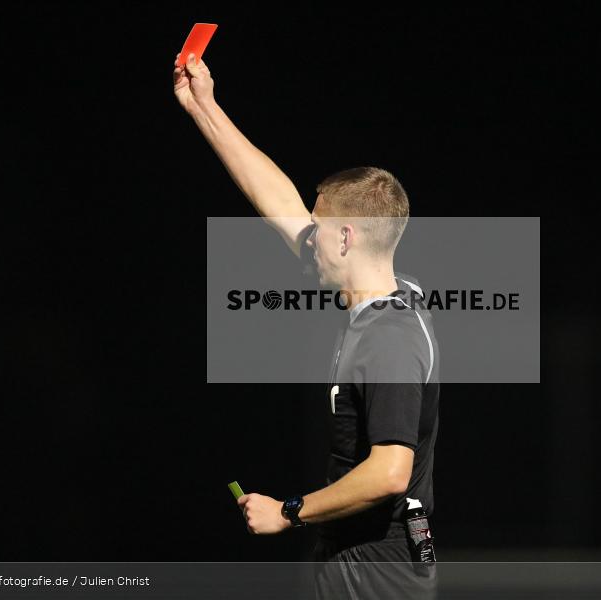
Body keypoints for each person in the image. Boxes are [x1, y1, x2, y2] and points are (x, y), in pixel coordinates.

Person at [174, 53, 439, 598]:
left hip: (377, 568)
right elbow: (278, 202)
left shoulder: (390, 338)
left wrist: (289, 512)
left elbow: (391, 471)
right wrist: (205, 108)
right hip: (354, 556)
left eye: (318, 228)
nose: (306, 234)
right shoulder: (379, 293)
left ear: (345, 237)